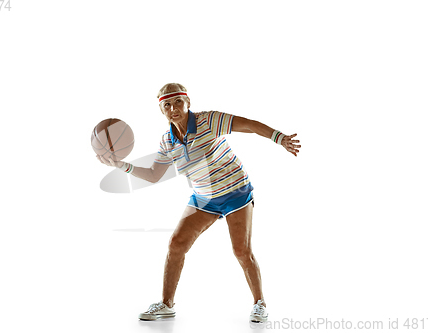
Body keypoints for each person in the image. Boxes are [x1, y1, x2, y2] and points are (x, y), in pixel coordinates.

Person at [97, 83, 300, 323]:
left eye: (178, 102)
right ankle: (166, 304)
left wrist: (280, 138)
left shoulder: (209, 121)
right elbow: (154, 175)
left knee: (242, 251)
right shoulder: (168, 141)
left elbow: (250, 125)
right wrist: (120, 165)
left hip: (235, 192)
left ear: (188, 102)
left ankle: (259, 304)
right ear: (161, 110)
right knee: (176, 244)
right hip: (203, 198)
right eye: (167, 105)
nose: (174, 108)